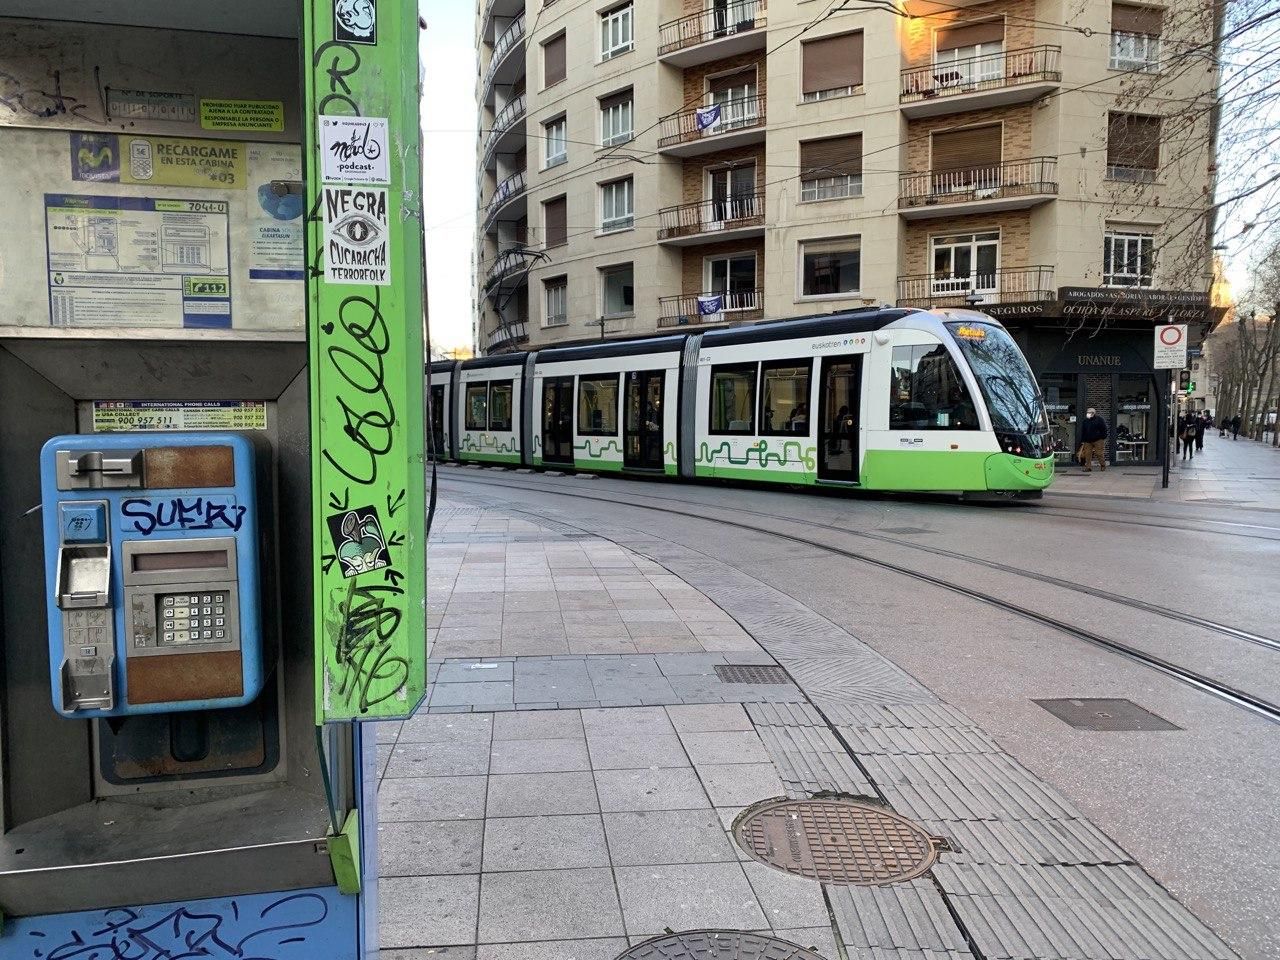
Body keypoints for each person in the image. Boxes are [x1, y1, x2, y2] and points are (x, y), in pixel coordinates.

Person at [1079, 407, 1108, 472]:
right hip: (1088, 440)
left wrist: (1103, 437)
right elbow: (1083, 431)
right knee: (1087, 454)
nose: (1088, 414)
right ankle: (1088, 467)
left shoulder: (1100, 419)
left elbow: (1104, 429)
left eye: (1089, 413)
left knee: (1099, 453)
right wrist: (1083, 440)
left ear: (1093, 413)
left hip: (1098, 439)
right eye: (1087, 413)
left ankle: (1103, 465)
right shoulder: (1085, 421)